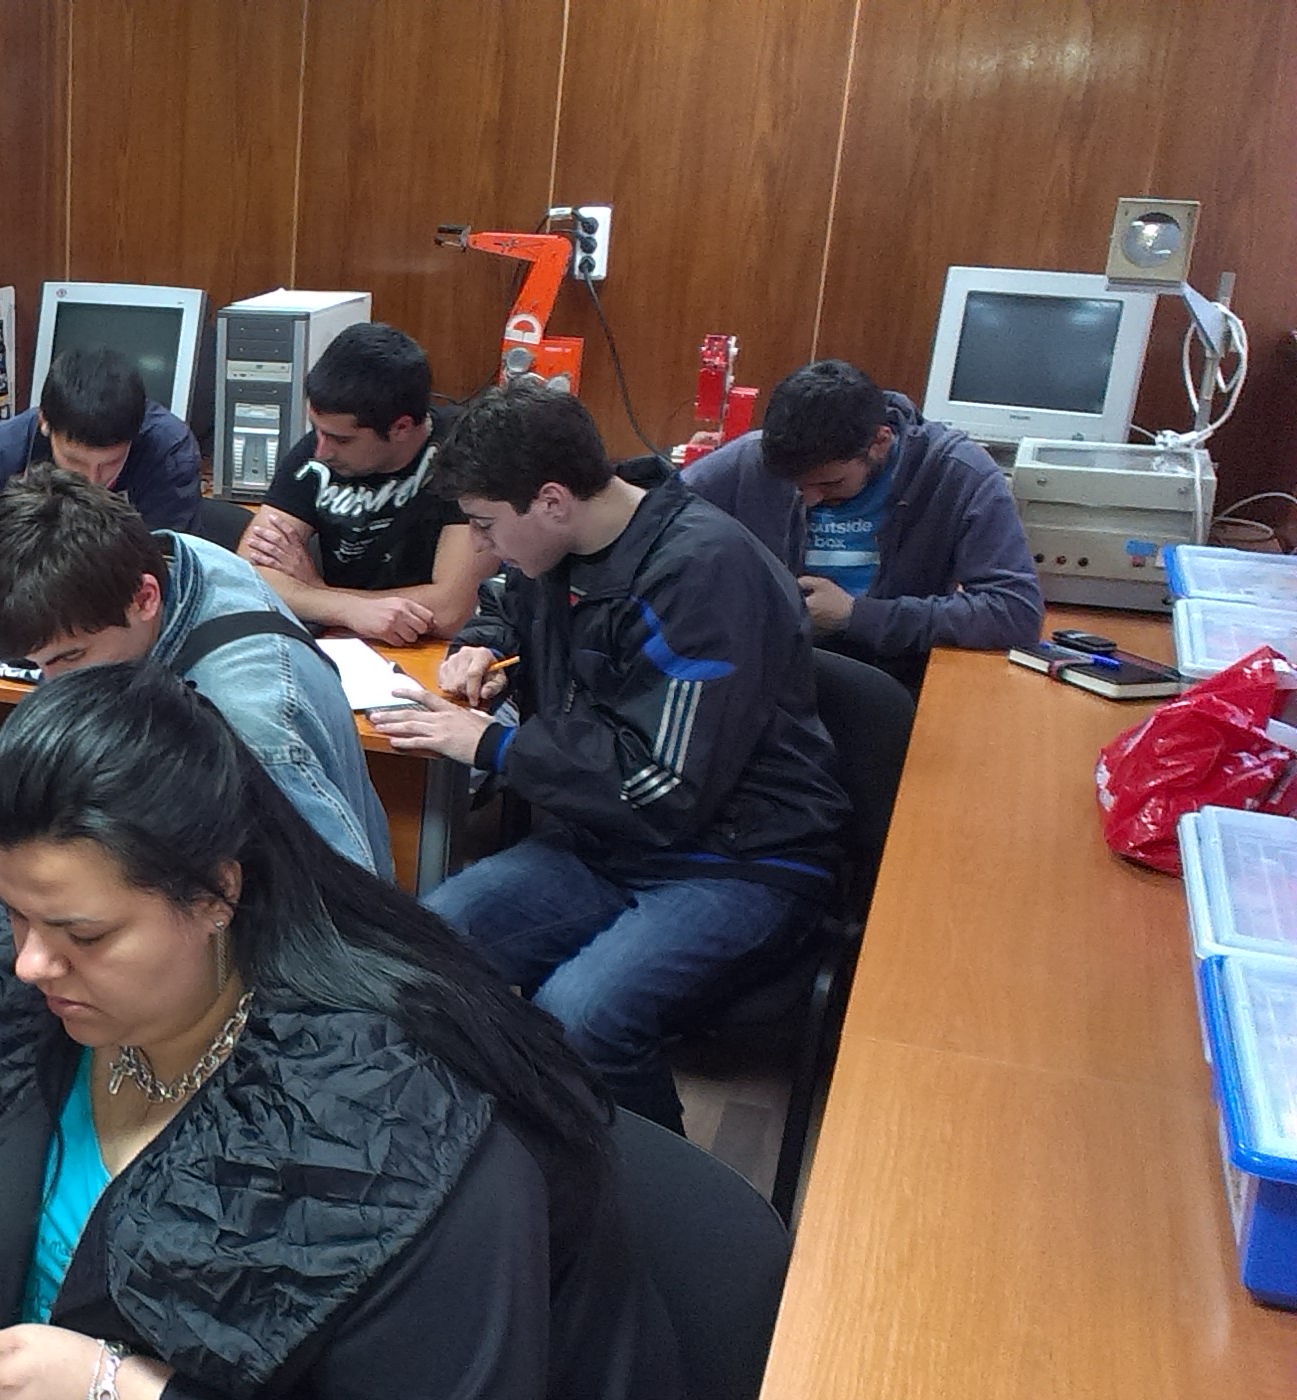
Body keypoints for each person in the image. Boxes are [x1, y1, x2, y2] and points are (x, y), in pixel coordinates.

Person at [0, 662, 686, 1400]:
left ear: (217, 895)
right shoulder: (40, 950)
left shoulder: (392, 1126)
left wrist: (116, 1398)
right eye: (13, 913)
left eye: (85, 935)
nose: (32, 962)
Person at [369, 382, 848, 1131]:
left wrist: (494, 744)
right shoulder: (564, 545)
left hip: (740, 857)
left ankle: (656, 1186)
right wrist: (483, 646)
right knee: (429, 950)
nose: (482, 549)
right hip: (610, 840)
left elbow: (662, 786)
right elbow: (507, 603)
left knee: (584, 1014)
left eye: (486, 526)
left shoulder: (704, 575)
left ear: (552, 501)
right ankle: (496, 1148)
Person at [0, 468, 391, 879]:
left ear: (144, 599)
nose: (51, 684)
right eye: (37, 664)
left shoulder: (249, 726)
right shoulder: (169, 558)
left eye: (70, 656)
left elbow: (346, 908)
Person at [681, 358, 1044, 684]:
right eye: (796, 485)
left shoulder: (957, 472)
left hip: (887, 677)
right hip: (762, 675)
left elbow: (1015, 612)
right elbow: (657, 523)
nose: (809, 498)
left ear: (880, 442)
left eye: (830, 484)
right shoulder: (753, 459)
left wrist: (857, 616)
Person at [236, 322, 493, 644]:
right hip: (343, 644)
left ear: (401, 428)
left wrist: (315, 592)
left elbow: (452, 611)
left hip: (429, 652)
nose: (321, 451)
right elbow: (247, 576)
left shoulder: (466, 456)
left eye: (342, 440)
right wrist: (347, 609)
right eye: (316, 429)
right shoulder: (318, 453)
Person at [0, 346, 201, 604]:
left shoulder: (168, 452)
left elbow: (170, 562)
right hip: (18, 612)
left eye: (111, 463)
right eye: (75, 460)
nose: (92, 479)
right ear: (44, 422)